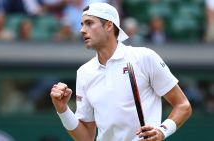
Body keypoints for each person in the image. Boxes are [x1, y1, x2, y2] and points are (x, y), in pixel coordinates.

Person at [50, 2, 192, 141]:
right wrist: (62, 109)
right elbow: (86, 137)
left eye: (89, 23)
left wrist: (162, 131)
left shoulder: (144, 57)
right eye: (82, 24)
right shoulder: (84, 72)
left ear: (109, 25)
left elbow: (183, 105)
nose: (82, 30)